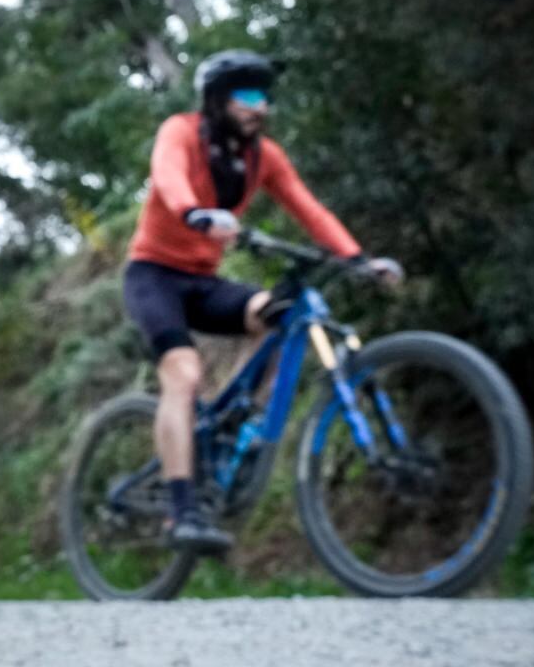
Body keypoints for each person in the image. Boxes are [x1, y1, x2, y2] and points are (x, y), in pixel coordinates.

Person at [124, 49, 403, 554]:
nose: (262, 107)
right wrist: (194, 212)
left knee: (281, 316)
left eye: (266, 97)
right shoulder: (182, 132)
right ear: (217, 100)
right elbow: (167, 176)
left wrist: (359, 259)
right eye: (249, 96)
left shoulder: (263, 157)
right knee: (183, 376)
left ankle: (237, 419)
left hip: (205, 281)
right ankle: (181, 511)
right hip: (154, 277)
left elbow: (307, 207)